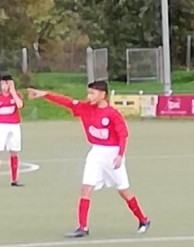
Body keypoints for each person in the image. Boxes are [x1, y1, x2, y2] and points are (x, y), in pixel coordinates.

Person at [27, 81, 150, 238]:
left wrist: (120, 155)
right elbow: (66, 102)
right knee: (86, 187)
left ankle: (143, 220)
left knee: (123, 191)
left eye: (92, 93)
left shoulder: (112, 113)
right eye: (88, 93)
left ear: (102, 95)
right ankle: (82, 227)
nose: (89, 96)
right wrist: (44, 94)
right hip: (96, 152)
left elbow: (123, 135)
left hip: (112, 153)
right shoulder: (85, 108)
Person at [0, 74, 24, 187]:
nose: (4, 86)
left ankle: (14, 179)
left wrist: (13, 91)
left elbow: (20, 105)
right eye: (2, 83)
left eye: (6, 83)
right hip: (1, 126)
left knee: (14, 151)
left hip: (14, 126)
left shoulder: (16, 96)